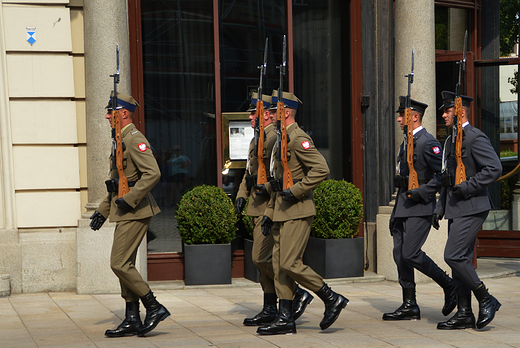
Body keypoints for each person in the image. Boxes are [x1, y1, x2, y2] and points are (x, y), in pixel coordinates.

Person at [257, 91, 348, 335]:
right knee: (278, 267)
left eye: (274, 109)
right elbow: (278, 181)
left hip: (297, 210)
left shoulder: (298, 138)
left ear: (285, 112)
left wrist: (297, 190)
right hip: (280, 210)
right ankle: (285, 317)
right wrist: (268, 211)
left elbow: (321, 169)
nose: (269, 113)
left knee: (289, 263)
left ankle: (330, 297)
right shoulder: (281, 138)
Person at [89, 92, 170, 337]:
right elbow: (116, 183)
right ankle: (132, 318)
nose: (105, 115)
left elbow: (153, 173)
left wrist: (130, 199)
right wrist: (103, 210)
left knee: (119, 263)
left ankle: (153, 307)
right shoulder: (119, 139)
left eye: (110, 111)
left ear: (123, 113)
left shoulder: (135, 139)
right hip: (125, 210)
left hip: (135, 210)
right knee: (127, 264)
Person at [235, 93, 313, 328]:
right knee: (263, 260)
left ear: (267, 114)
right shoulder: (258, 138)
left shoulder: (272, 138)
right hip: (257, 205)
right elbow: (249, 171)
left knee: (262, 258)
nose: (249, 117)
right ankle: (271, 306)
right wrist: (241, 194)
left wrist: (268, 197)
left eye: (253, 113)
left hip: (270, 205)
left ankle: (294, 292)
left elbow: (275, 176)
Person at [433, 91, 502, 330]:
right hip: (456, 208)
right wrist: (439, 207)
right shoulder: (451, 140)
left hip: (472, 206)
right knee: (458, 261)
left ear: (460, 112)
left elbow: (494, 168)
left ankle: (486, 298)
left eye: (447, 111)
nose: (443, 115)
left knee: (452, 255)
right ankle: (464, 313)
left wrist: (468, 187)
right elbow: (447, 179)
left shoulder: (474, 137)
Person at [385, 97, 456, 322]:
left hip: (420, 206)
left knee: (411, 253)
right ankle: (409, 305)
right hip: (403, 206)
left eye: (401, 115)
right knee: (399, 255)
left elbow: (442, 175)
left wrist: (424, 191)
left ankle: (448, 284)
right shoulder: (406, 141)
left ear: (414, 116)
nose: (398, 119)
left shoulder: (427, 142)